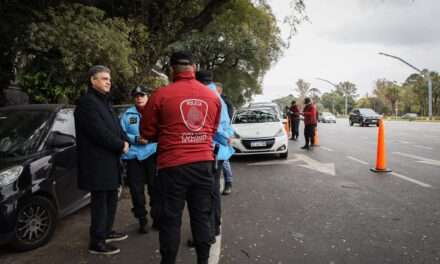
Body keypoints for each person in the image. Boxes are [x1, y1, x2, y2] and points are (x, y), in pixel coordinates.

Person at [140, 51, 223, 264]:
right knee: (202, 217)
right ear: (193, 68)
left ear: (171, 69)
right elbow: (212, 130)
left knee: (170, 221)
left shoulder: (160, 95)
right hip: (203, 165)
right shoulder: (213, 96)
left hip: (172, 167)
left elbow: (147, 132)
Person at [74, 65, 129, 255]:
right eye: (104, 78)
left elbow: (115, 126)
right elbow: (98, 132)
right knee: (100, 202)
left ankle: (106, 231)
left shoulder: (104, 102)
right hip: (97, 163)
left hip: (110, 161)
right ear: (93, 80)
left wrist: (125, 139)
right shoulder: (87, 103)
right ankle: (97, 242)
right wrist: (120, 145)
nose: (108, 82)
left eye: (109, 79)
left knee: (111, 198)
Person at [120, 86, 158, 234]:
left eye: (142, 95)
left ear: (148, 96)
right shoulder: (127, 114)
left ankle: (157, 218)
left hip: (152, 154)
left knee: (155, 189)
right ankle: (142, 220)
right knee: (136, 191)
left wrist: (151, 139)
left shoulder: (156, 112)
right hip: (134, 156)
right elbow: (121, 133)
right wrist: (135, 138)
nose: (139, 98)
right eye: (136, 96)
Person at [215, 82, 234, 195]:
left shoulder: (225, 102)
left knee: (224, 160)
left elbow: (228, 120)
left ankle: (228, 182)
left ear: (220, 90)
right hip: (214, 134)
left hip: (223, 134)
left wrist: (226, 135)